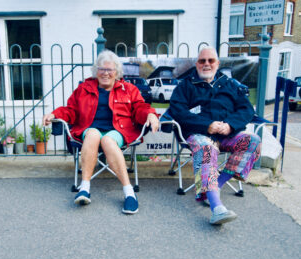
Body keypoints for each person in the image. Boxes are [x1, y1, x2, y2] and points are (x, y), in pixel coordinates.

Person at [43, 50, 159, 214]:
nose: (105, 73)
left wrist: (150, 114)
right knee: (93, 134)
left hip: (118, 130)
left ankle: (129, 193)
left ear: (116, 72)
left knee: (107, 140)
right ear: (96, 71)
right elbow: (71, 110)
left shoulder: (129, 89)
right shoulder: (84, 89)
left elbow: (140, 108)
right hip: (89, 129)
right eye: (101, 69)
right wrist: (55, 114)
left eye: (109, 69)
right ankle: (84, 188)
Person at [166, 46, 261, 225]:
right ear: (196, 64)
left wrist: (230, 125)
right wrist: (206, 126)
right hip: (198, 134)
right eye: (202, 61)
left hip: (226, 135)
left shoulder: (230, 84)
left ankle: (215, 185)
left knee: (253, 141)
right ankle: (217, 208)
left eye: (211, 61)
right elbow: (178, 112)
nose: (206, 64)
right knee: (207, 149)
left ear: (218, 63)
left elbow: (246, 110)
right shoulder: (185, 85)